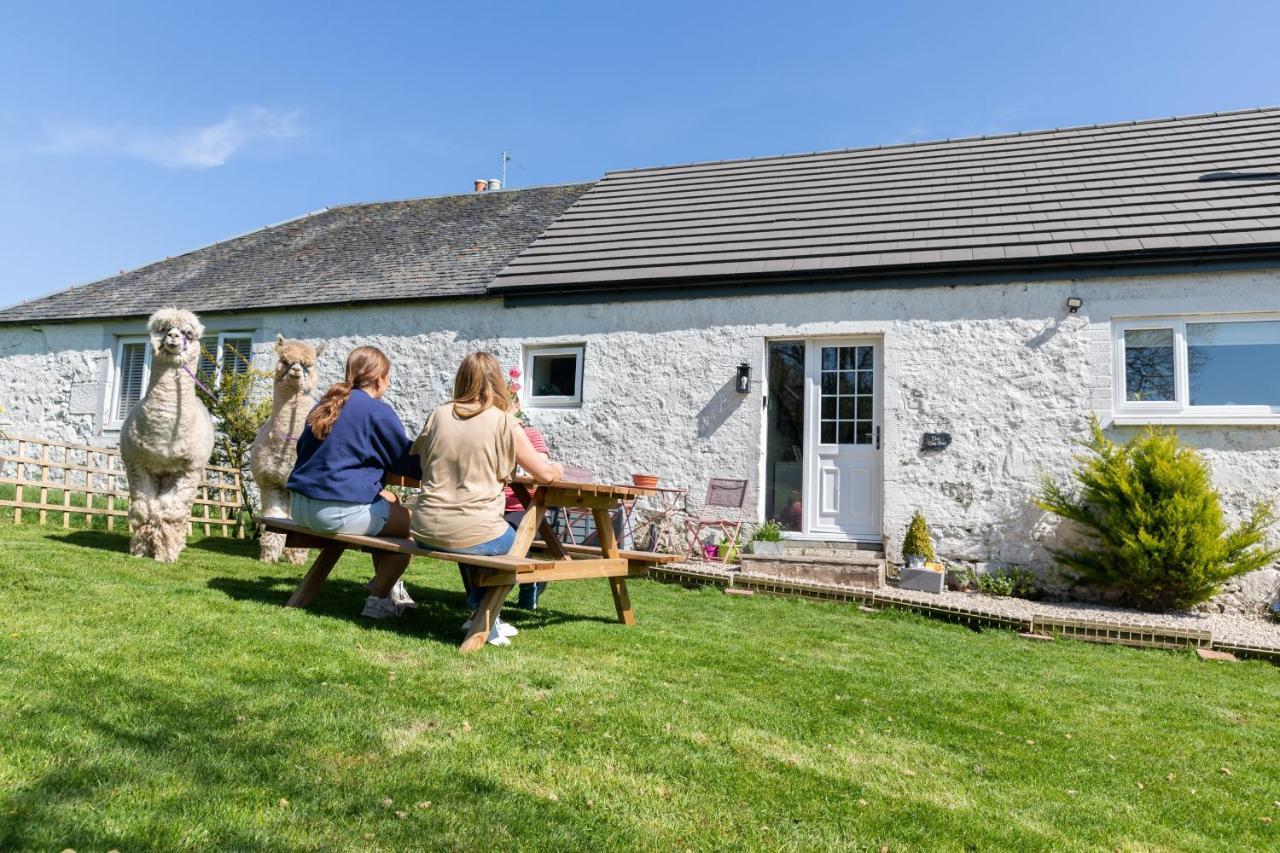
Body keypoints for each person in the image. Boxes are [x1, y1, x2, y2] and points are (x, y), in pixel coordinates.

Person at [408, 352, 563, 647]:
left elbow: (420, 460)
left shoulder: (438, 415)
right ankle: (486, 618)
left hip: (425, 530)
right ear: (497, 382)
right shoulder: (504, 422)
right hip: (472, 530)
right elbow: (543, 473)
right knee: (513, 543)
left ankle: (481, 611)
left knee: (476, 538)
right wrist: (559, 468)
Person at [287, 346, 422, 619]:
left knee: (391, 501)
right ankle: (378, 600)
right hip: (332, 511)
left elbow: (305, 450)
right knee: (410, 526)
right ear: (378, 379)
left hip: (300, 507)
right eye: (388, 377)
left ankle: (383, 582)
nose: (389, 383)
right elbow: (405, 461)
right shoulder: (377, 411)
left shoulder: (324, 404)